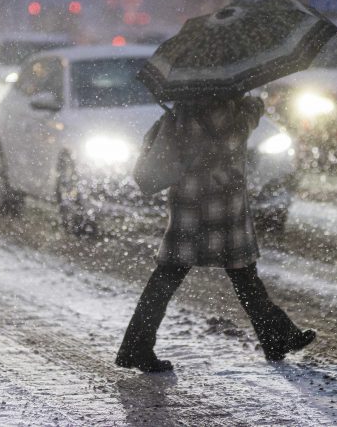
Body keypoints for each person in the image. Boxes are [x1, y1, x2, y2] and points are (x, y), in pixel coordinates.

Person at [116, 94, 315, 372]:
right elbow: (249, 118)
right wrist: (254, 100)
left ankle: (135, 346)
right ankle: (276, 336)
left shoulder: (180, 115)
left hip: (189, 205)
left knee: (167, 278)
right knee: (244, 276)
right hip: (225, 206)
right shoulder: (235, 113)